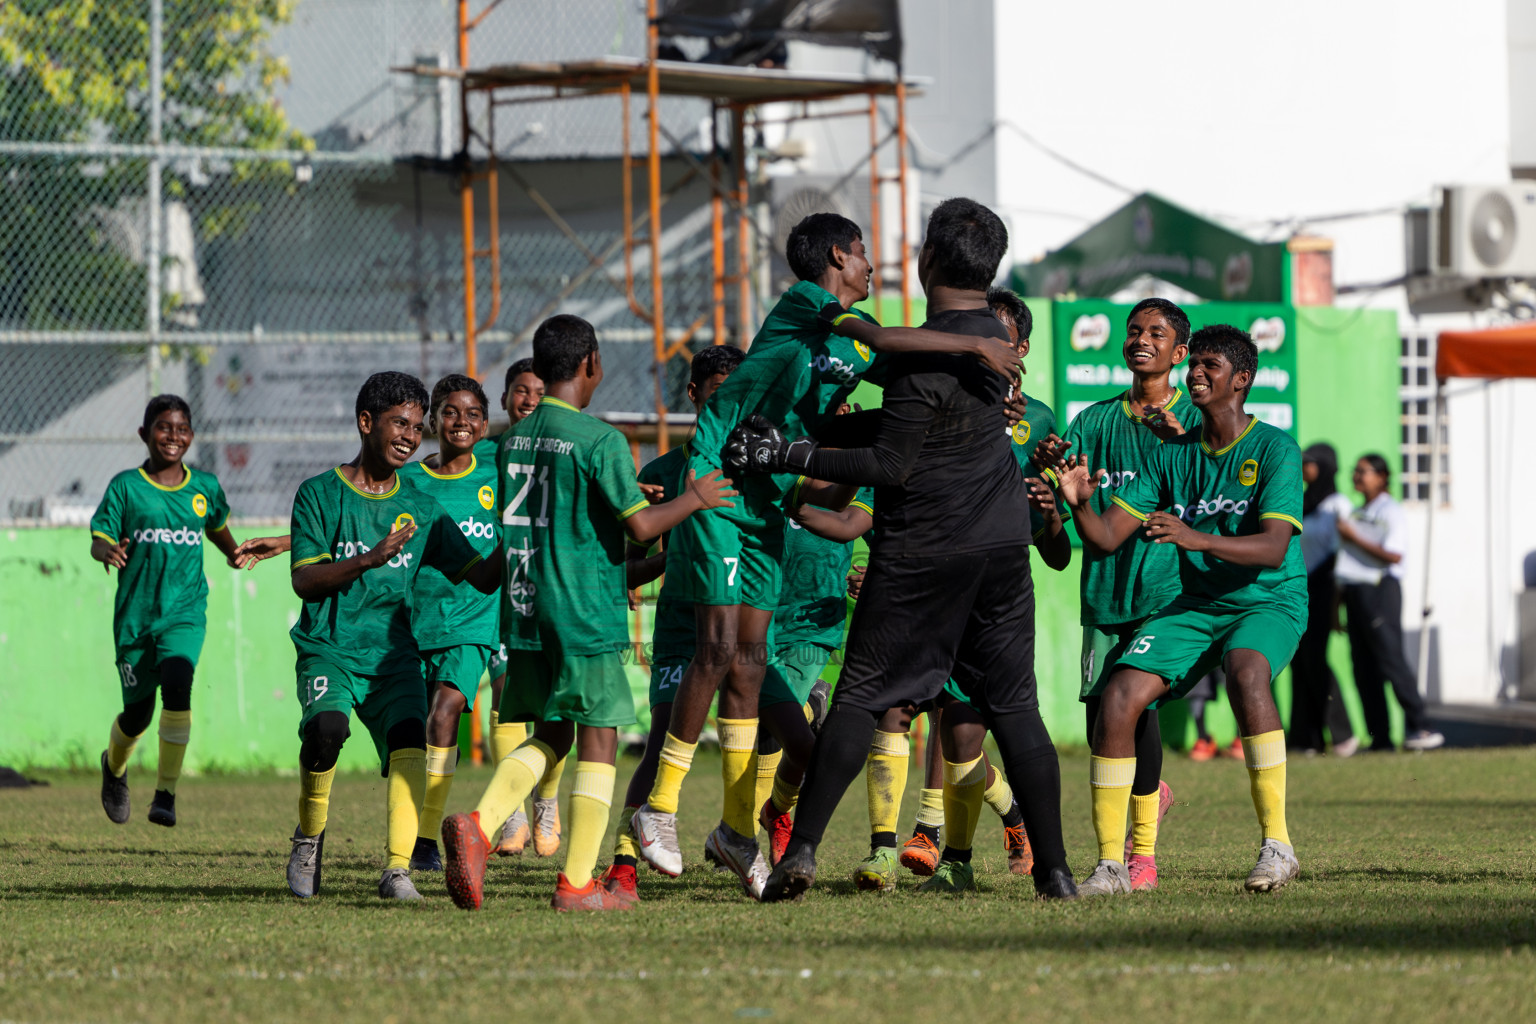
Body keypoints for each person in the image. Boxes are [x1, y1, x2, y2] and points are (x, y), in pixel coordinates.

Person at [629, 211, 1022, 892]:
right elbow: (883, 336)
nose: (873, 265)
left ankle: (734, 831)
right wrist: (977, 349)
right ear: (839, 255)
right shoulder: (807, 305)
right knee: (719, 648)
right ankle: (657, 809)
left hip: (766, 499)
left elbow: (901, 373)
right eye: (865, 253)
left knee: (750, 667)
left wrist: (989, 403)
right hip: (721, 482)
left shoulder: (852, 353)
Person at [729, 197, 1077, 902]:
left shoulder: (925, 351)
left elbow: (892, 464)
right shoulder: (998, 346)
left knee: (860, 698)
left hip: (925, 548)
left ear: (924, 262)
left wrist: (788, 450)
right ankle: (1057, 872)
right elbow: (906, 428)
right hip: (1003, 549)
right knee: (1016, 709)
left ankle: (802, 853)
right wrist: (817, 437)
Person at [439, 314, 736, 913]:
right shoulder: (600, 440)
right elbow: (641, 528)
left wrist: (630, 496)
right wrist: (693, 497)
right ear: (590, 365)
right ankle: (575, 884)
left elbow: (565, 511)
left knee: (552, 731)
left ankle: (483, 821)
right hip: (583, 610)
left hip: (525, 609)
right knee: (600, 741)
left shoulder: (513, 439)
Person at [1055, 324, 1306, 896]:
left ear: (1241, 380)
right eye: (1195, 366)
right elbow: (1104, 539)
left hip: (1267, 600)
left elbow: (1272, 550)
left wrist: (1198, 538)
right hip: (1196, 605)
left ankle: (1278, 846)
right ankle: (1111, 866)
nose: (1195, 374)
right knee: (1118, 697)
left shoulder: (1274, 448)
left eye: (1210, 367)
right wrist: (1078, 501)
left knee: (1247, 672)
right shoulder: (1173, 456)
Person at [252, 371, 502, 901]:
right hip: (331, 650)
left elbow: (480, 574)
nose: (411, 436)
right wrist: (369, 558)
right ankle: (309, 836)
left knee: (413, 742)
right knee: (325, 733)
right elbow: (305, 580)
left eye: (416, 426)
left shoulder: (422, 505)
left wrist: (524, 541)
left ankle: (397, 871)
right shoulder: (319, 493)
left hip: (395, 658)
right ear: (366, 423)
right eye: (399, 424)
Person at [602, 343, 747, 903]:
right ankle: (622, 864)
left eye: (736, 393)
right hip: (685, 628)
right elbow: (630, 566)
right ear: (694, 394)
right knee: (662, 736)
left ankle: (752, 840)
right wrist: (674, 553)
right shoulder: (663, 473)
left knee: (775, 738)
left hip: (747, 628)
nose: (725, 403)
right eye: (716, 392)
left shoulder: (752, 466)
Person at [90, 394, 254, 828]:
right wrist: (106, 550)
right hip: (135, 618)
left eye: (182, 429)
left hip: (184, 612)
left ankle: (165, 793)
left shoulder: (204, 487)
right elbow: (98, 538)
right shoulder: (126, 487)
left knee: (179, 684)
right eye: (164, 427)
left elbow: (216, 527)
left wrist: (234, 552)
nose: (173, 436)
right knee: (138, 714)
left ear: (192, 437)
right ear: (145, 434)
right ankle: (114, 766)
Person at [402, 374, 502, 874]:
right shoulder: (411, 482)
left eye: (472, 414)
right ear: (432, 421)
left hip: (474, 621)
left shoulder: (499, 471)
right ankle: (413, 826)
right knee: (415, 734)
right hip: (417, 622)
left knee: (445, 713)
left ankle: (424, 840)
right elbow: (361, 524)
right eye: (450, 412)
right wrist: (290, 544)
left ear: (484, 425)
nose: (461, 422)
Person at [478, 358, 562, 859]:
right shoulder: (488, 456)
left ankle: (545, 803)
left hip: (555, 593)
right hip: (500, 594)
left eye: (538, 391)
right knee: (506, 694)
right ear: (505, 399)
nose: (529, 400)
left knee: (554, 704)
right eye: (520, 391)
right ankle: (511, 811)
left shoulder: (564, 453)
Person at [1335, 454, 1445, 752]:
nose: (1357, 476)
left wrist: (1353, 536)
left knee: (1390, 660)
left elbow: (1393, 555)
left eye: (1364, 471)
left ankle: (1421, 725)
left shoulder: (1390, 511)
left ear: (1383, 477)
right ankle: (1379, 737)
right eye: (1355, 471)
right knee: (1363, 668)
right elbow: (1347, 562)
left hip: (1381, 590)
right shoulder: (1359, 511)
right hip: (1356, 592)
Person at [1289, 443, 1359, 756]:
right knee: (1298, 662)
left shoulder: (1338, 505)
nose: (1305, 468)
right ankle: (1306, 738)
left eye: (1311, 463)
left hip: (1323, 589)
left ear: (1327, 466)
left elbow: (1338, 552)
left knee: (1315, 660)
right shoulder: (1302, 502)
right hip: (1297, 590)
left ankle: (1343, 734)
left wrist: (1326, 590)